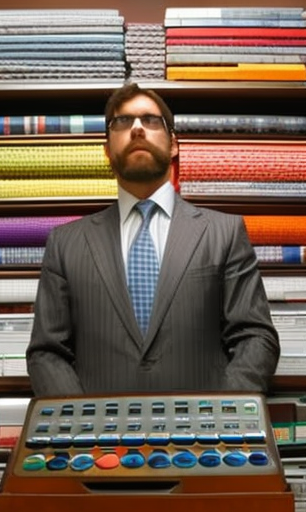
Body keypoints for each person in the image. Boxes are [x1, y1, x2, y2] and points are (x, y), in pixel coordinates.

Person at [26, 83, 280, 397]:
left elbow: (256, 337)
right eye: (122, 122)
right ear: (107, 150)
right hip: (99, 441)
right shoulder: (65, 243)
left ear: (174, 145)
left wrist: (220, 415)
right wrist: (82, 424)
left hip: (202, 438)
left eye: (151, 120)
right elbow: (47, 352)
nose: (136, 129)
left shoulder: (223, 233)